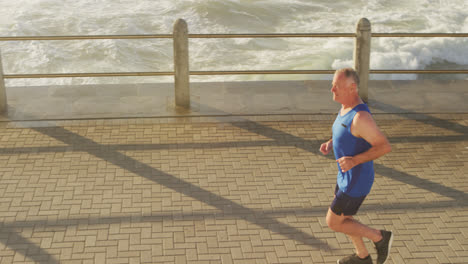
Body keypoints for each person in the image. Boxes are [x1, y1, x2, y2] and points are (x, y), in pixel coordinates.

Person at [320, 68, 393, 264]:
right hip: (345, 176)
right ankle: (362, 257)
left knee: (334, 222)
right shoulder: (345, 106)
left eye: (336, 86)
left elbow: (384, 146)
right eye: (333, 84)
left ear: (352, 88)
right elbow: (345, 132)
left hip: (355, 182)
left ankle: (379, 237)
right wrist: (331, 142)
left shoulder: (361, 118)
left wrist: (354, 160)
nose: (332, 89)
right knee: (346, 219)